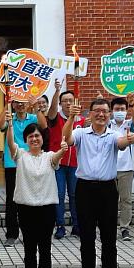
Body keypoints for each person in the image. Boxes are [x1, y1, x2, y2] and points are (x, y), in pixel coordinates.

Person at [68, 98, 134, 268]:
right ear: (90, 114)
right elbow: (67, 139)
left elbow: (123, 143)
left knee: (109, 240)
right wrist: (71, 116)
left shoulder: (114, 135)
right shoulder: (81, 133)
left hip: (107, 190)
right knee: (87, 239)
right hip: (84, 190)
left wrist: (130, 139)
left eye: (105, 111)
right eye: (97, 111)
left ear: (109, 114)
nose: (101, 114)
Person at [6, 114, 70, 268]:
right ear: (25, 140)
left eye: (37, 136)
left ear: (42, 139)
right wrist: (10, 126)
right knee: (29, 249)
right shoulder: (20, 155)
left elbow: (58, 156)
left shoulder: (50, 156)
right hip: (25, 209)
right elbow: (10, 143)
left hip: (47, 209)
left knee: (45, 248)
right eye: (30, 136)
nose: (34, 139)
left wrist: (63, 149)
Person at [0, 98, 48, 247]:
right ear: (13, 104)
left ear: (27, 104)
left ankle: (32, 232)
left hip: (31, 162)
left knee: (32, 197)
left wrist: (37, 107)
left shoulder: (33, 118)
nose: (20, 105)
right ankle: (12, 234)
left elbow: (44, 127)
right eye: (17, 102)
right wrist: (6, 105)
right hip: (12, 163)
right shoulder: (9, 118)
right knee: (12, 200)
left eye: (23, 102)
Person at [49, 81, 85, 239]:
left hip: (76, 165)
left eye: (71, 100)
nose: (68, 103)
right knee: (59, 194)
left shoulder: (82, 121)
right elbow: (51, 110)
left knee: (75, 196)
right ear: (61, 103)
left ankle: (77, 226)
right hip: (59, 164)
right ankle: (60, 226)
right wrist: (57, 91)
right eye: (65, 101)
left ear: (75, 102)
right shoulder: (55, 117)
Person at [108, 97, 134, 242]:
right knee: (110, 201)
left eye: (122, 109)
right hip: (109, 168)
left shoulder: (129, 124)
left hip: (126, 168)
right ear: (111, 111)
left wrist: (133, 106)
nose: (119, 112)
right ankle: (109, 227)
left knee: (126, 200)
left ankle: (125, 228)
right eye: (116, 109)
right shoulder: (108, 124)